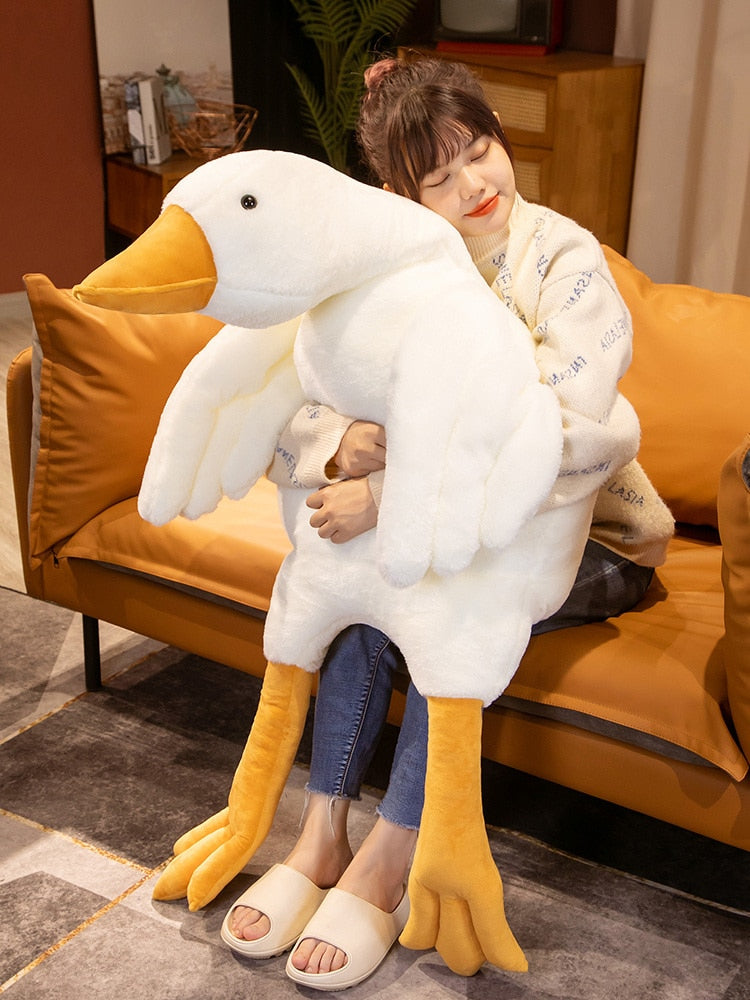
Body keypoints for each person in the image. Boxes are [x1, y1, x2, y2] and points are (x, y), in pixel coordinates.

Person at [221, 55, 675, 989]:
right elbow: (292, 385)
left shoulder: (564, 261)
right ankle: (320, 836)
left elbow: (567, 428)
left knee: (445, 602)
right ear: (399, 194)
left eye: (480, 152)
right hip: (454, 534)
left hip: (589, 539)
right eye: (438, 177)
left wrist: (394, 497)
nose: (474, 186)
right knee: (368, 594)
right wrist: (338, 442)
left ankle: (389, 863)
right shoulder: (389, 266)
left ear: (500, 140)